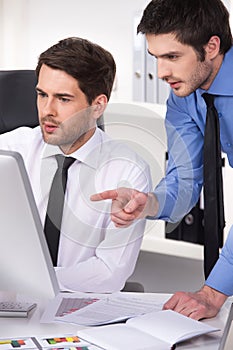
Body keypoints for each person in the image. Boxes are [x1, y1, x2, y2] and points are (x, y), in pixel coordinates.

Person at [91, 0, 233, 318]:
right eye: (157, 57)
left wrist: (214, 291)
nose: (161, 72)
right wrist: (149, 203)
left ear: (212, 46)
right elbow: (184, 177)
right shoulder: (185, 97)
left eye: (172, 56)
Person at [1, 37, 152, 293]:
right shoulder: (9, 151)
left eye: (63, 99)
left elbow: (110, 272)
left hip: (78, 312)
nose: (47, 110)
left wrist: (29, 282)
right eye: (41, 94)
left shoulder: (127, 170)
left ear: (97, 106)